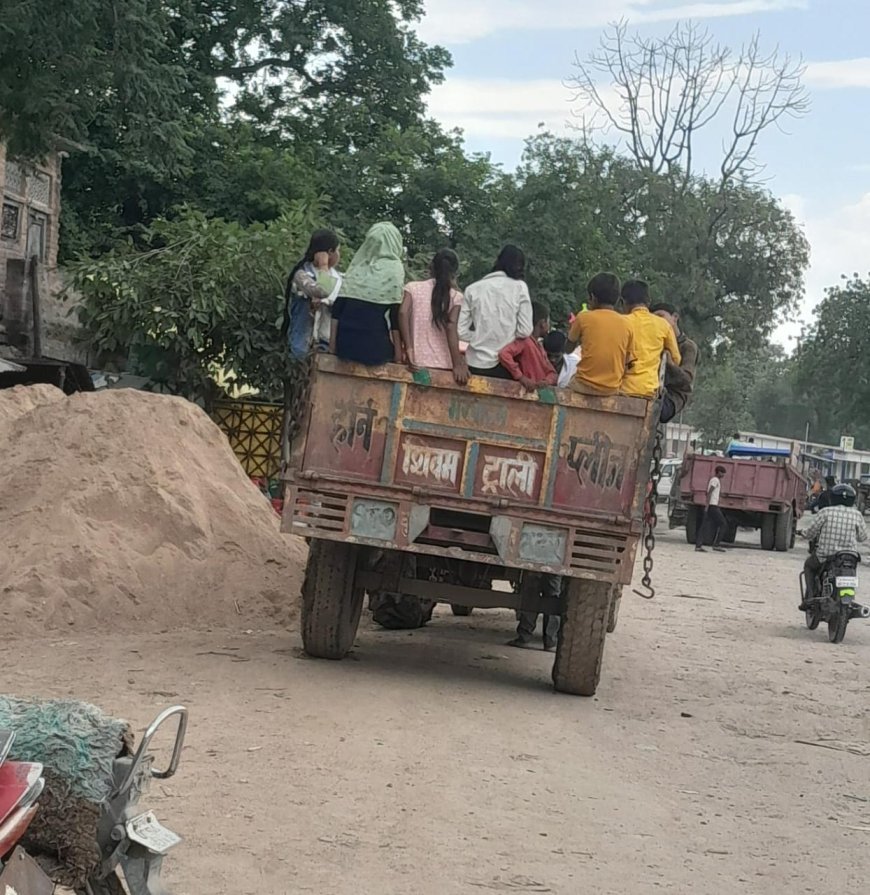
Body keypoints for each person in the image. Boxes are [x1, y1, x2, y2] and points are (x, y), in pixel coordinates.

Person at [329, 222, 405, 366]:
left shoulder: (356, 266)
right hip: (376, 351)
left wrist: (332, 348)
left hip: (345, 347)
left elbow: (337, 312)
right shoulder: (394, 269)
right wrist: (398, 356)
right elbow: (395, 318)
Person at [458, 245, 533, 379]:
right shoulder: (520, 288)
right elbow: (525, 331)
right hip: (505, 363)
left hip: (474, 362)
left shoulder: (472, 289)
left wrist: (480, 336)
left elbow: (461, 331)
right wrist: (505, 335)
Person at [398, 248, 468, 384]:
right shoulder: (456, 297)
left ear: (431, 267)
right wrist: (458, 364)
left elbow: (402, 313)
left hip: (417, 365)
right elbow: (451, 326)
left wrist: (409, 349)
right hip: (445, 368)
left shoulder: (412, 288)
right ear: (454, 273)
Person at [565, 273, 634, 395]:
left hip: (584, 385)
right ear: (618, 299)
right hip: (611, 389)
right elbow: (628, 361)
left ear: (593, 297)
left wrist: (573, 333)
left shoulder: (583, 317)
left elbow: (568, 349)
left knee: (565, 383)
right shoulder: (627, 324)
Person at [801, 484, 868, 607]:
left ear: (832, 498)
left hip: (825, 556)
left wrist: (804, 534)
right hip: (849, 558)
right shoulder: (857, 515)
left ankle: (810, 597)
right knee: (852, 572)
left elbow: (811, 532)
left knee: (809, 566)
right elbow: (863, 537)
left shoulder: (825, 512)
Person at [283, 229, 342, 359]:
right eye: (337, 250)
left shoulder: (338, 277)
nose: (339, 255)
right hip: (303, 348)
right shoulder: (301, 274)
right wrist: (323, 264)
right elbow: (322, 290)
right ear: (330, 252)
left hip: (328, 346)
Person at [620, 280, 681, 398]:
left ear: (623, 302)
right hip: (649, 392)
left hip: (621, 390)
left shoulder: (620, 323)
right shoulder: (663, 325)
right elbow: (676, 359)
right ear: (648, 302)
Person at [650, 302, 699, 423]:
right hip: (653, 392)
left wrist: (671, 364)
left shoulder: (688, 347)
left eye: (661, 317)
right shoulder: (655, 342)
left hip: (673, 397)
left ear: (675, 317)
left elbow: (687, 379)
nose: (658, 322)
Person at [498, 302, 557, 391]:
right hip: (526, 393)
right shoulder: (524, 341)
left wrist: (546, 381)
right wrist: (520, 377)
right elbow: (504, 354)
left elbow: (552, 373)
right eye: (548, 322)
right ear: (543, 323)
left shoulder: (540, 347)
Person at [508, 574, 562, 652]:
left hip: (535, 565)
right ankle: (551, 642)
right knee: (552, 598)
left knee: (530, 595)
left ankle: (524, 638)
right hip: (556, 564)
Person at [696, 465, 728, 553]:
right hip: (712, 506)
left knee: (704, 526)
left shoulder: (715, 480)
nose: (723, 475)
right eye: (722, 473)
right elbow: (709, 493)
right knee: (723, 524)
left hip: (712, 505)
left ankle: (698, 545)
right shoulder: (715, 480)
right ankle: (716, 544)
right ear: (718, 472)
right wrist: (707, 506)